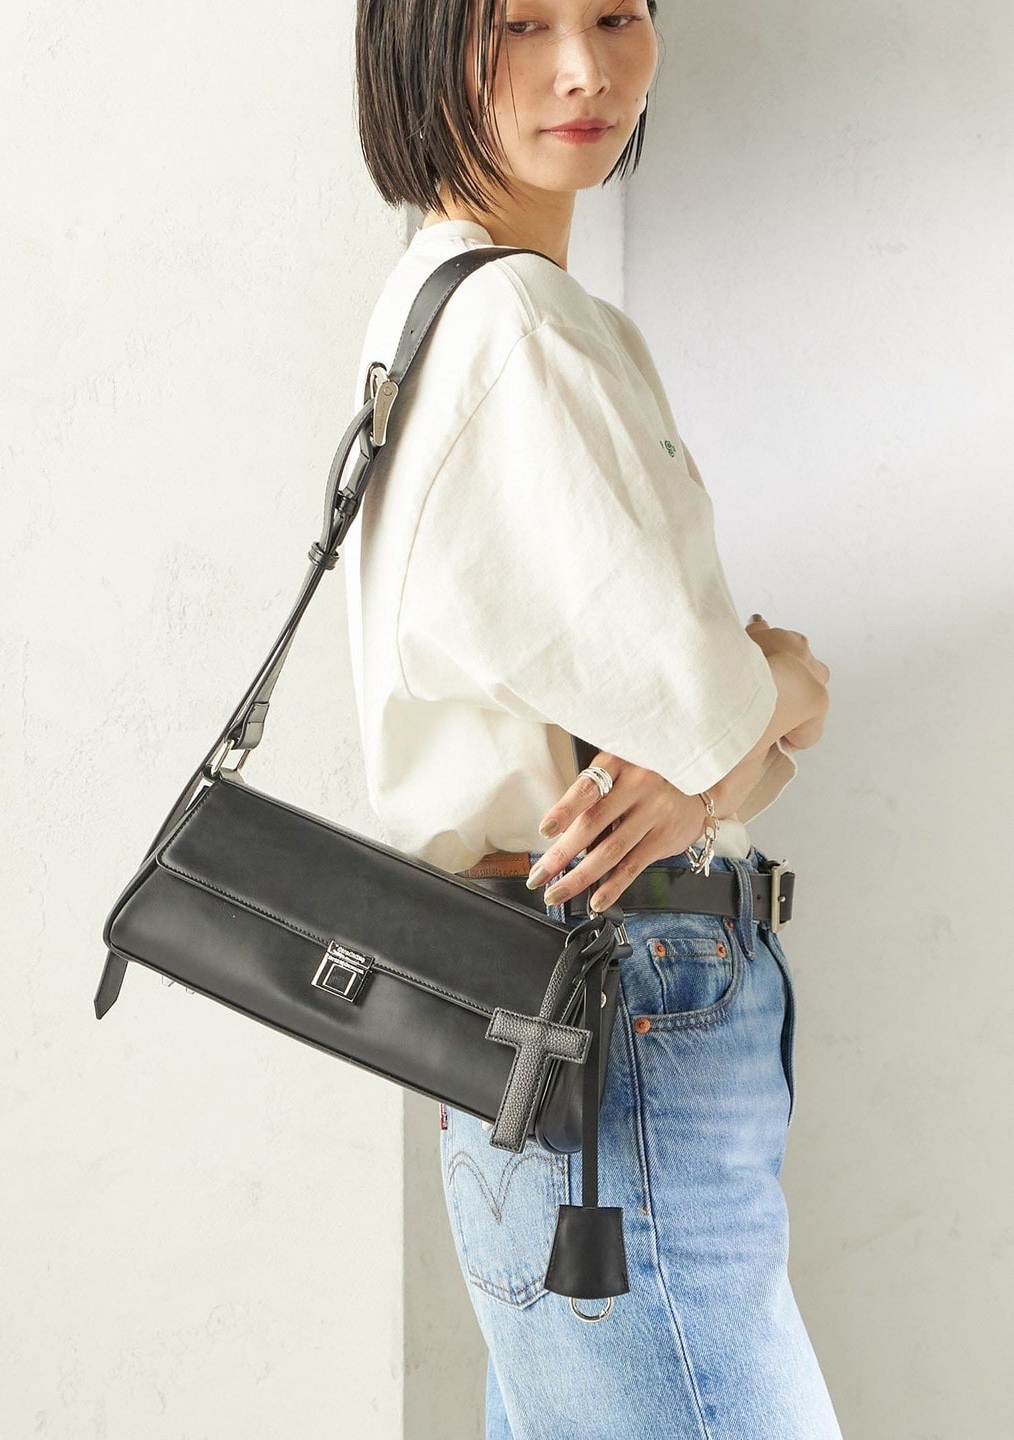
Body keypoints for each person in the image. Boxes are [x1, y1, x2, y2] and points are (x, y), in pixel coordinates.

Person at [346, 2, 842, 1437]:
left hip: (543, 1008)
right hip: (619, 1004)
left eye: (617, 13)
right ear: (420, 39)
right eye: (520, 24)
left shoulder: (438, 298)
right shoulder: (518, 326)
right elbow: (716, 714)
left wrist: (718, 752)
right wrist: (792, 682)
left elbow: (700, 742)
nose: (584, 67)